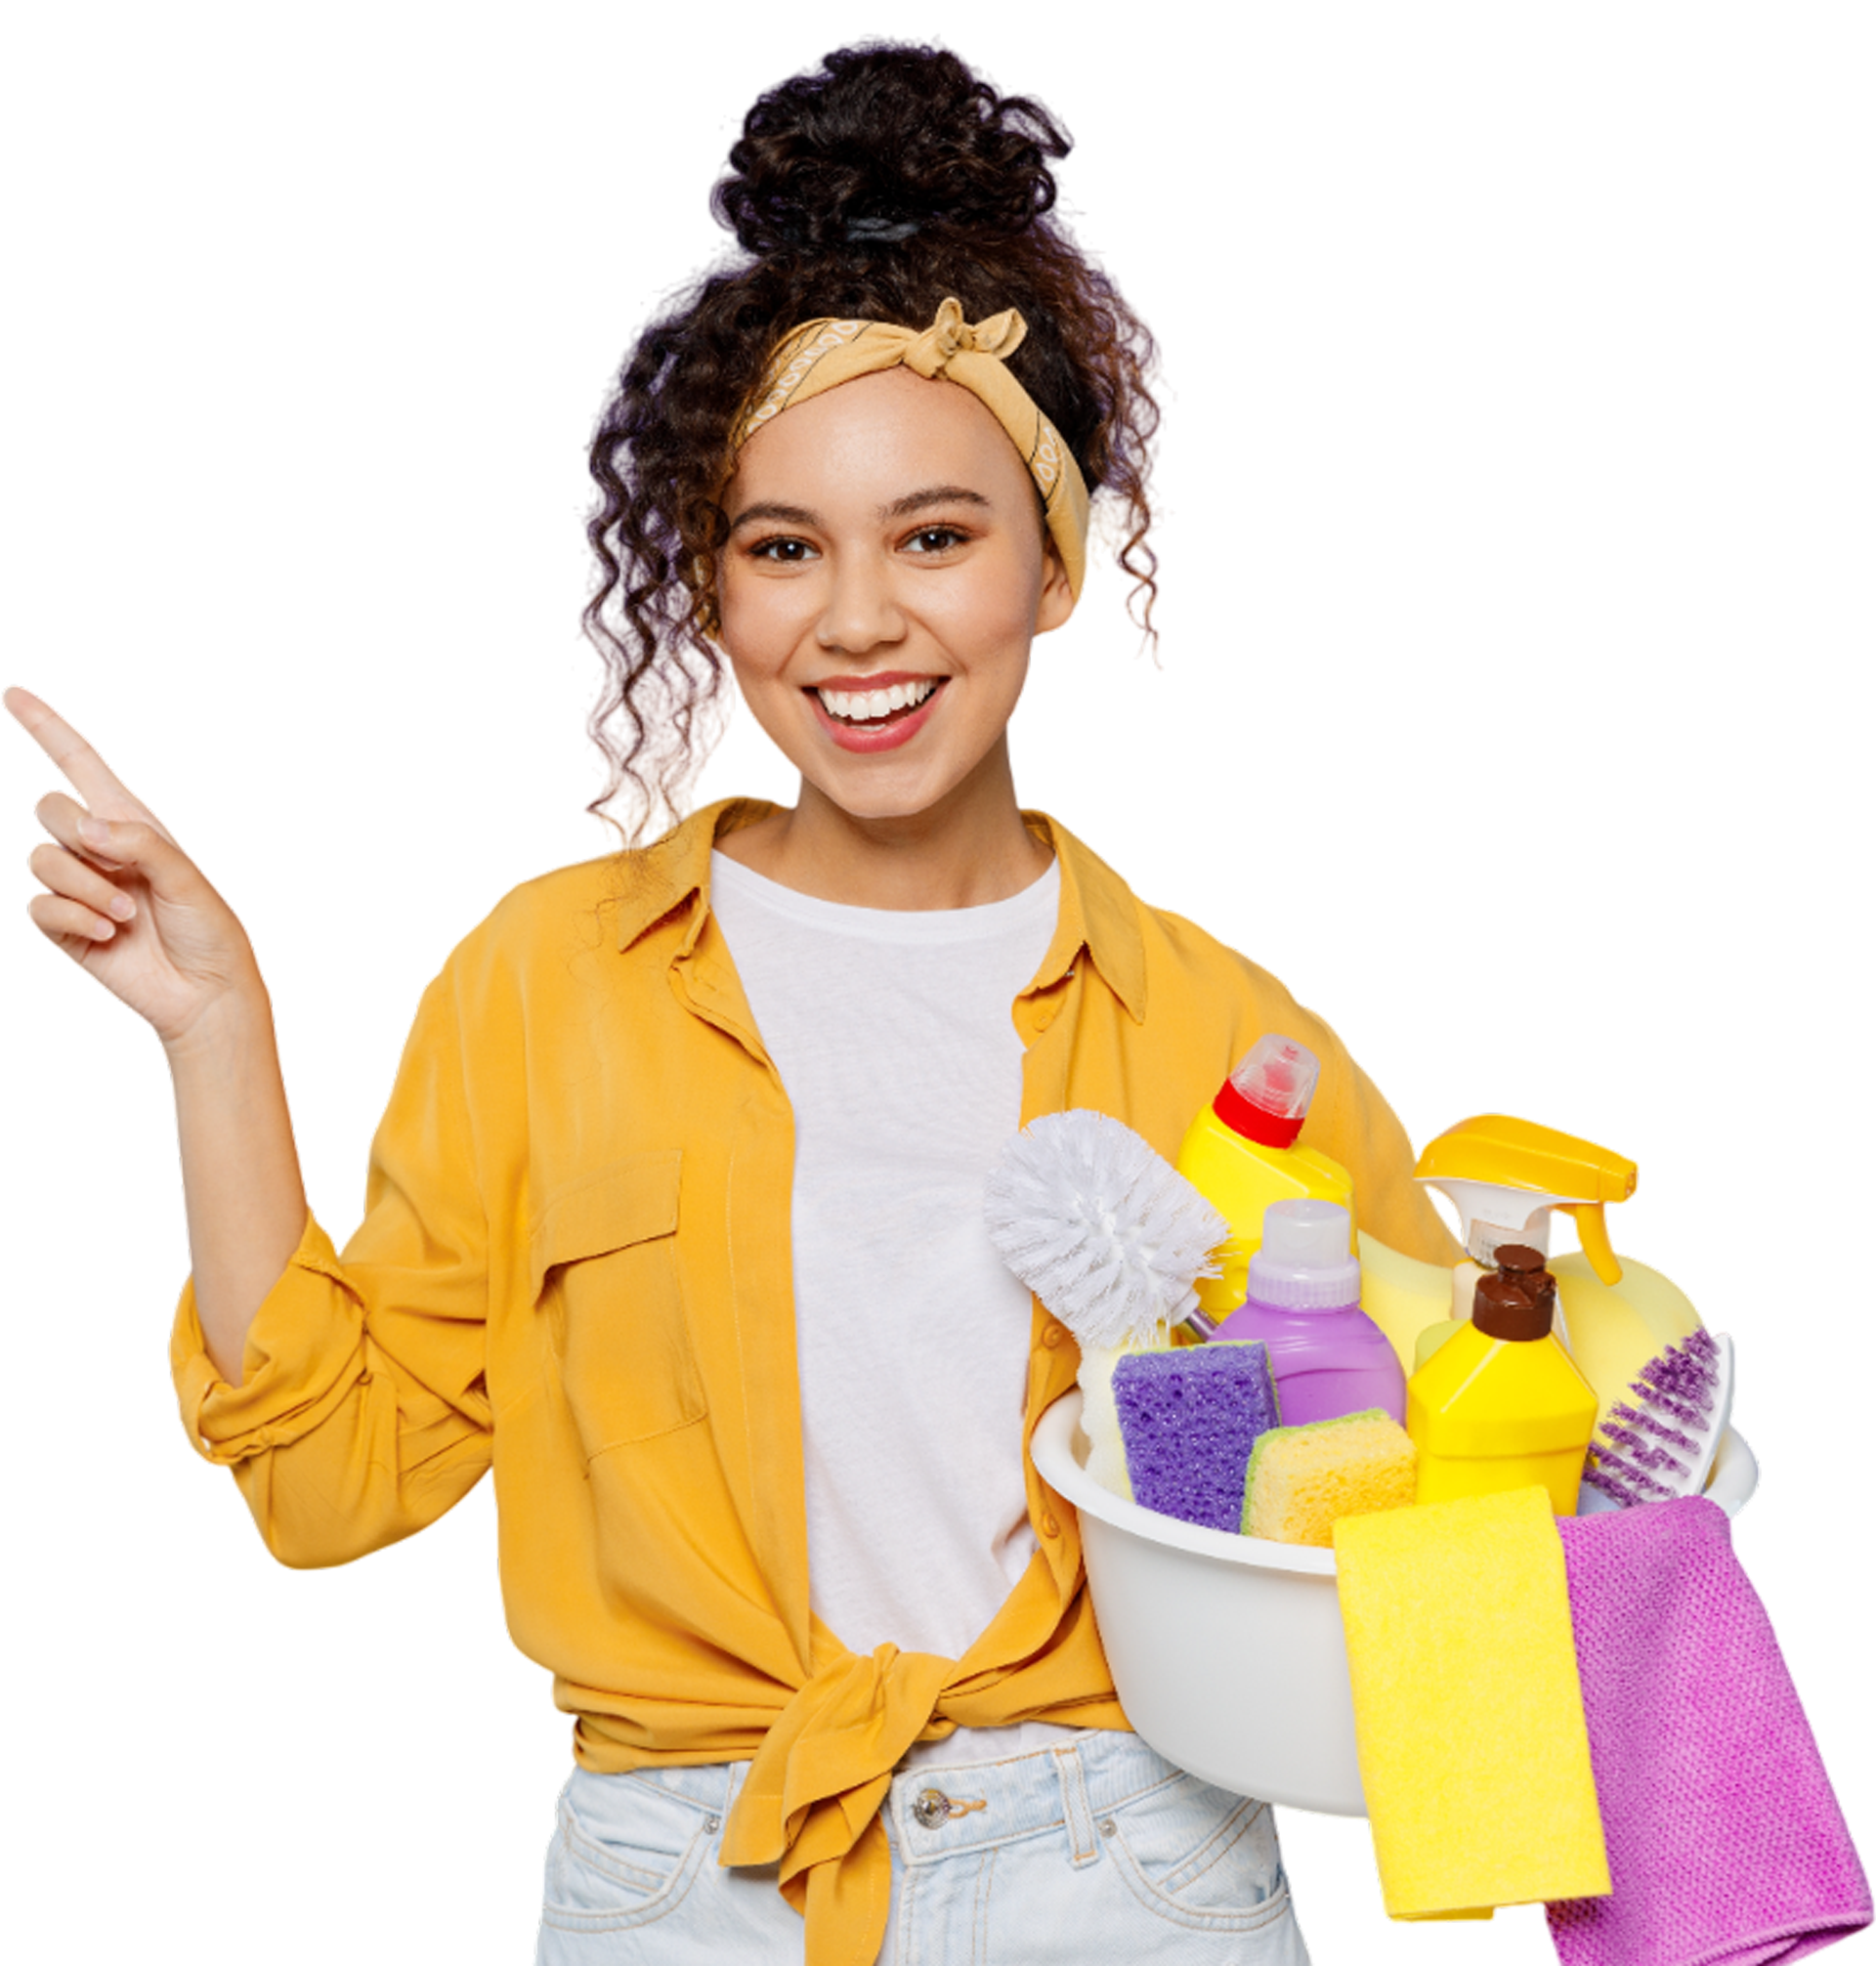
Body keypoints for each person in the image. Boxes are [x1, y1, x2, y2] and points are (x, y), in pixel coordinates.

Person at [7, 38, 1465, 1966]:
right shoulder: (547, 978)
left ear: (1055, 564)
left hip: (1130, 1863)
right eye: (785, 548)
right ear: (713, 590)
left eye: (934, 534)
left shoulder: (1219, 1020)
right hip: (684, 1878)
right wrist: (219, 1035)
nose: (858, 620)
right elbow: (329, 1479)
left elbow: (1440, 1485)